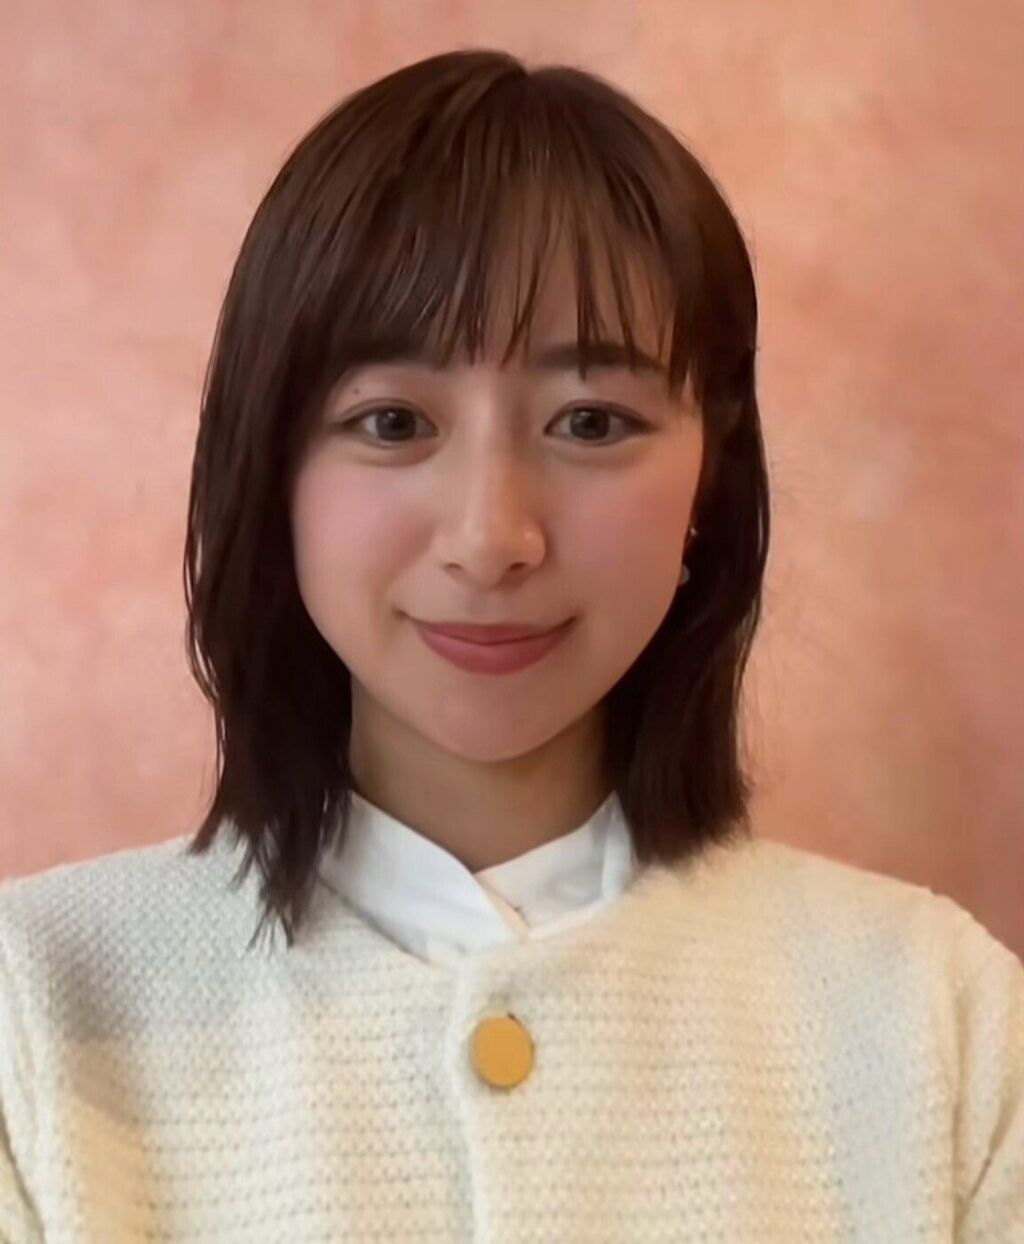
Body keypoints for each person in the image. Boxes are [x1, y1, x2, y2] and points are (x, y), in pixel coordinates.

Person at [1, 47, 1021, 1243]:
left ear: (711, 474)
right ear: (270, 472)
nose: (491, 539)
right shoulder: (35, 1016)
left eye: (590, 421)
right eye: (392, 421)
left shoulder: (945, 1028)